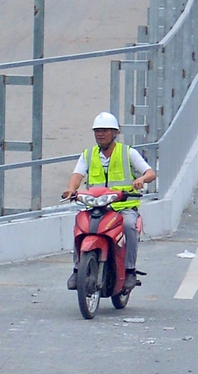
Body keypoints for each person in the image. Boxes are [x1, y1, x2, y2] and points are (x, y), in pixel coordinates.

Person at [63, 110, 152, 288]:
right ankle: (76, 269)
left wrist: (141, 180)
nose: (100, 134)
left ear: (115, 133)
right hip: (96, 207)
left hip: (123, 207)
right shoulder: (88, 154)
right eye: (97, 131)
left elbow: (149, 173)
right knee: (79, 224)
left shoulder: (128, 153)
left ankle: (130, 271)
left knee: (129, 226)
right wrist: (70, 190)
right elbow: (77, 175)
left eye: (105, 130)